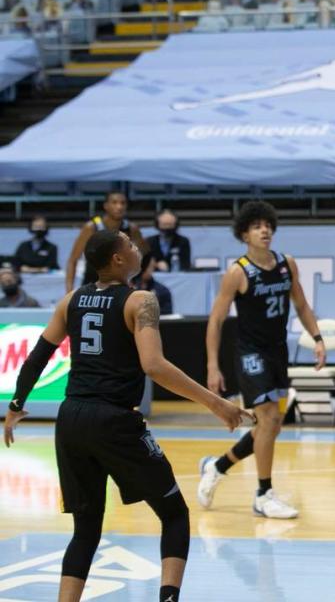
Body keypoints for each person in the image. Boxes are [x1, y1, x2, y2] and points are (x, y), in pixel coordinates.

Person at [3, 230, 248, 602]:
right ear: (118, 260)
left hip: (71, 420)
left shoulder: (71, 300)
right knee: (175, 514)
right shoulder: (140, 300)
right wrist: (215, 402)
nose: (137, 248)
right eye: (130, 245)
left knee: (85, 530)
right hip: (114, 420)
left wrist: (16, 405)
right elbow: (155, 366)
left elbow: (39, 354)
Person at [198, 201, 327, 519]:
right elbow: (215, 321)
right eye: (256, 226)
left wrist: (318, 338)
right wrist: (212, 366)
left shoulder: (287, 263)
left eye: (267, 225)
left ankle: (218, 465)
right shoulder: (238, 272)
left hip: (278, 351)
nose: (264, 230)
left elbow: (301, 305)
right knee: (267, 420)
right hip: (250, 354)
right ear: (245, 234)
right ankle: (263, 494)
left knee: (271, 426)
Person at [64, 191, 148, 292]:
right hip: (93, 284)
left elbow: (145, 254)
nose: (119, 207)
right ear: (106, 206)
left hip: (121, 287)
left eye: (123, 203)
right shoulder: (91, 227)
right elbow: (73, 260)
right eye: (115, 202)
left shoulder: (132, 228)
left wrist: (140, 279)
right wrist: (69, 291)